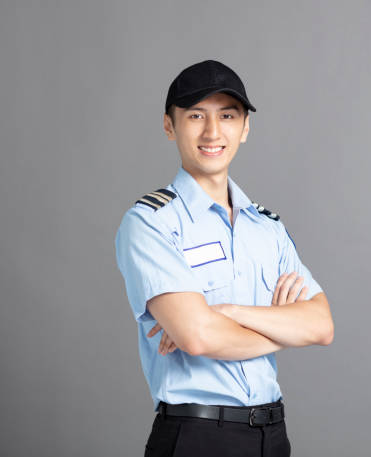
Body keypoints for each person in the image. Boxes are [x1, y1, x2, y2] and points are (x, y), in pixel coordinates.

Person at [114, 59, 334, 457]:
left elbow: (320, 326)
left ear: (244, 128)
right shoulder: (151, 223)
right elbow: (198, 337)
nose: (213, 132)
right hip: (197, 435)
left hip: (273, 435)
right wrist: (283, 331)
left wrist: (230, 311)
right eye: (196, 115)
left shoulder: (268, 228)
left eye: (227, 116)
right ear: (169, 125)